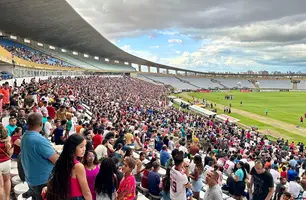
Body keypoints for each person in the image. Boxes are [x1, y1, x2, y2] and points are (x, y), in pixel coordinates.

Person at [21, 113, 58, 200]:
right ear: (41, 124)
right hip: (42, 181)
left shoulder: (25, 136)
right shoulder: (39, 140)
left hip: (31, 178)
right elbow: (56, 160)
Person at [46, 134, 92, 200]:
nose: (84, 149)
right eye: (81, 147)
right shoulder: (78, 166)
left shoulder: (61, 161)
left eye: (85, 146)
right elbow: (86, 192)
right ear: (73, 147)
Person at [0, 124, 12, 200]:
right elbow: (10, 152)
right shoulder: (7, 141)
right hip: (6, 163)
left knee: (0, 186)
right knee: (7, 180)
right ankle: (7, 198)